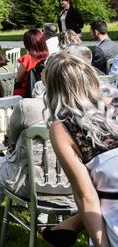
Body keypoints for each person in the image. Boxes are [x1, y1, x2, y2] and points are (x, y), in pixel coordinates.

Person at [0, 95, 74, 239]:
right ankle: (42, 222)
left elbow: (11, 138)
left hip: (26, 185)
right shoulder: (86, 110)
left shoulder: (28, 107)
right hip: (72, 187)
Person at [44, 52, 118, 246]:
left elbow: (86, 196)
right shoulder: (113, 107)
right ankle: (68, 227)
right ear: (91, 77)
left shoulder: (62, 128)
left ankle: (67, 228)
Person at [15, 29, 49, 97]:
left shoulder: (27, 59)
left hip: (27, 93)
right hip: (45, 91)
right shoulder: (48, 57)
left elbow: (18, 79)